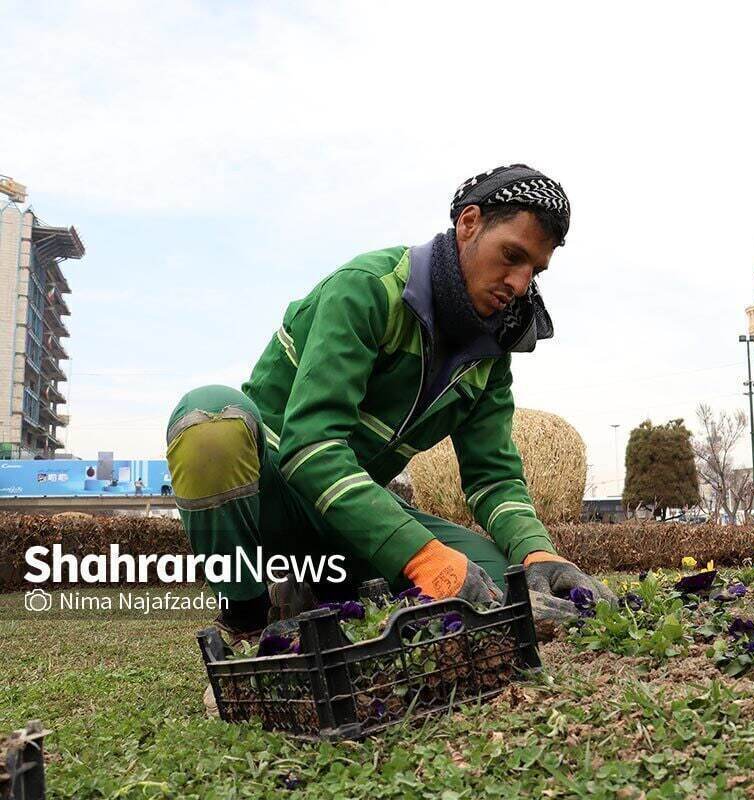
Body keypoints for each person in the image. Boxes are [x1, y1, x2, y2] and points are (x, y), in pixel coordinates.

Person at [166, 164, 614, 642]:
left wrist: (536, 553)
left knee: (504, 583)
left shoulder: (490, 352)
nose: (520, 284)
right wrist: (419, 555)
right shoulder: (367, 290)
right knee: (209, 418)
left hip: (352, 526)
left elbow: (494, 479)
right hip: (273, 506)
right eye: (511, 255)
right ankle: (249, 615)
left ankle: (320, 594)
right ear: (469, 223)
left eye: (534, 270)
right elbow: (310, 449)